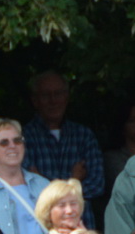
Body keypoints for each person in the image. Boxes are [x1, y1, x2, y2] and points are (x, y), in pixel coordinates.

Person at [24, 72, 105, 221]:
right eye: (46, 95)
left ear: (67, 97)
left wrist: (45, 184)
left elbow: (97, 185)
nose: (53, 100)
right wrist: (75, 179)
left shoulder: (84, 135)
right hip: (43, 228)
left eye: (58, 93)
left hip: (81, 229)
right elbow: (28, 189)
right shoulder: (22, 138)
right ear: (35, 100)